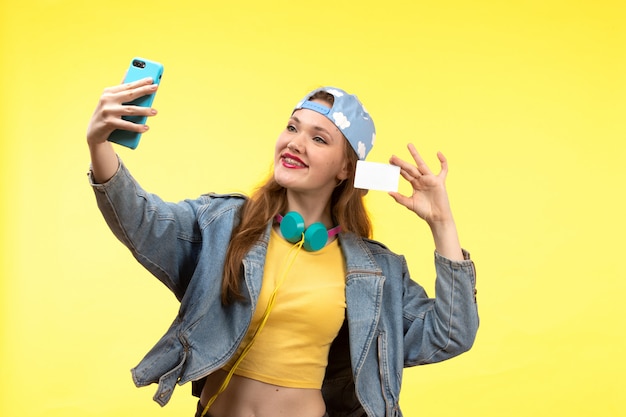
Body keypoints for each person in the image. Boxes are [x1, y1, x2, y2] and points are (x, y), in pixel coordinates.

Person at [86, 77, 479, 417]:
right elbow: (144, 221)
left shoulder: (374, 270)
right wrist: (99, 145)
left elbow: (450, 333)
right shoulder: (225, 224)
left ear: (346, 168)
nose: (295, 143)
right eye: (292, 127)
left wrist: (441, 223)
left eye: (318, 138)